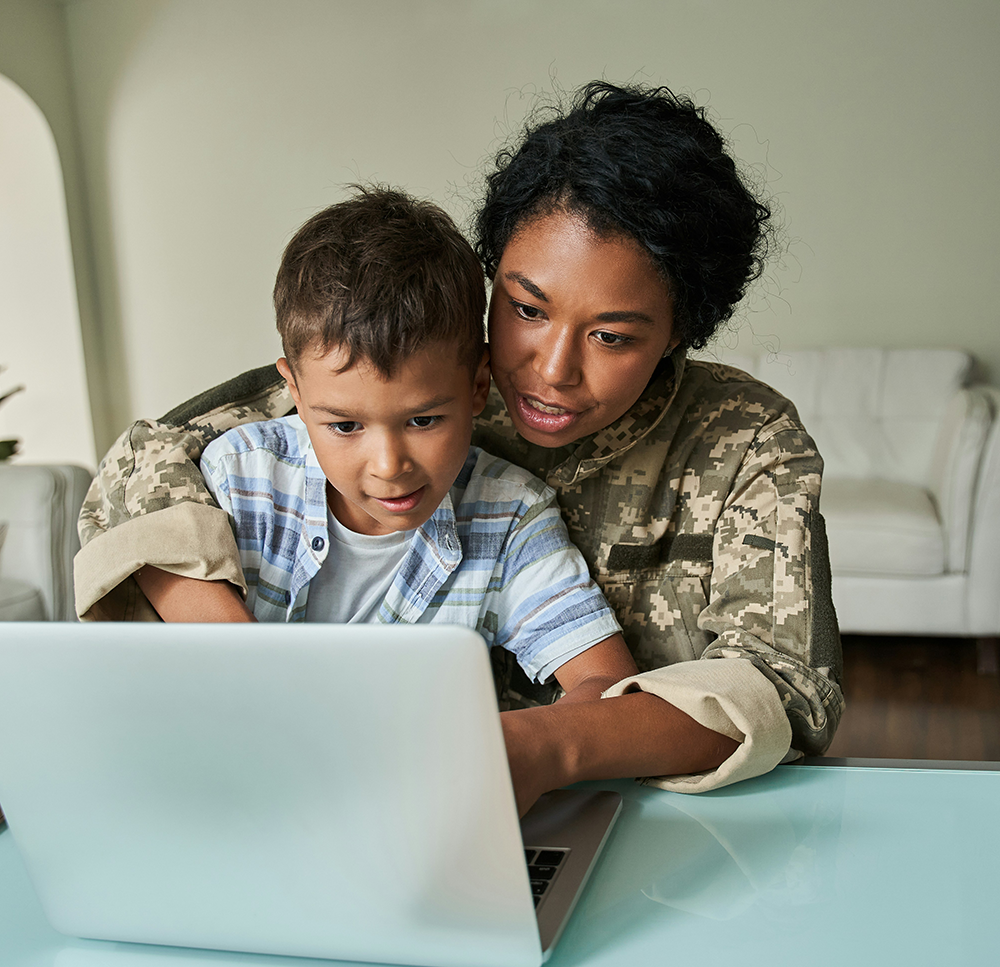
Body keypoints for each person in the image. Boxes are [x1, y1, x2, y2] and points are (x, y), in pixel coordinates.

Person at [76, 81, 843, 803]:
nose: (549, 371)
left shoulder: (743, 442)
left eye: (611, 336)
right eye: (526, 308)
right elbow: (148, 462)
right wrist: (254, 676)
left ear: (682, 332)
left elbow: (783, 686)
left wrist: (550, 747)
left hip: (620, 817)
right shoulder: (414, 372)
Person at [196, 188, 637, 724]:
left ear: (478, 384)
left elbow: (607, 682)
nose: (389, 465)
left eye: (422, 421)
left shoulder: (510, 519)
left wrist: (502, 747)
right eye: (344, 425)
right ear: (295, 392)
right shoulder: (239, 478)